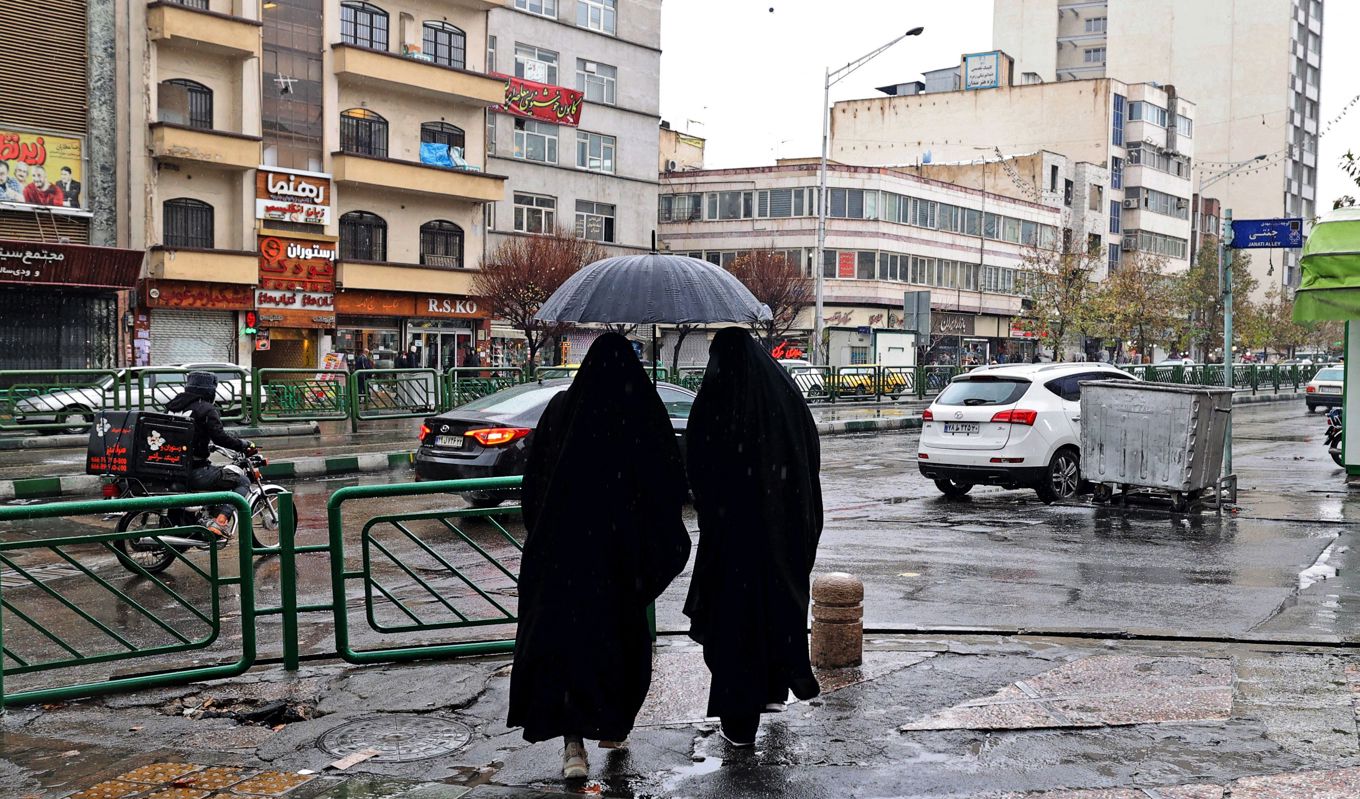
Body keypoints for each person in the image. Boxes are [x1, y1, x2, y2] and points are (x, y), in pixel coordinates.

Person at [508, 332, 690, 779]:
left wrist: (550, 535)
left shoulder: (562, 410)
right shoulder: (642, 411)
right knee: (619, 647)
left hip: (563, 558)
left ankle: (574, 747)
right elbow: (668, 486)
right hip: (620, 562)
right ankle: (614, 725)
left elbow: (534, 484)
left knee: (568, 650)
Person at [683, 328, 824, 747]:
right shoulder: (783, 394)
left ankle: (739, 716)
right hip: (780, 538)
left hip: (731, 542)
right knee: (773, 615)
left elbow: (700, 464)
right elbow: (807, 458)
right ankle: (774, 687)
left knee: (732, 628)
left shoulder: (717, 398)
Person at [165, 372, 255, 539]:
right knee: (242, 481)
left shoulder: (173, 407)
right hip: (194, 471)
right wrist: (242, 444)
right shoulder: (206, 409)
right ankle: (220, 522)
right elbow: (220, 437)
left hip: (171, 469)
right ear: (209, 391)